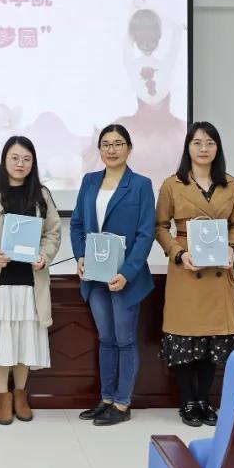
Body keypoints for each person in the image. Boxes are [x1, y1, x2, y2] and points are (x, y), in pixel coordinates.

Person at [0, 136, 61, 425]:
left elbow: (53, 233)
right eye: (15, 158)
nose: (20, 164)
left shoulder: (42, 194)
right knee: (1, 342)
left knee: (23, 342)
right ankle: (3, 396)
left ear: (33, 163)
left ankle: (21, 394)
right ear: (4, 159)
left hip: (29, 281)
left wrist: (44, 255)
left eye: (26, 159)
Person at [154, 122, 234, 427]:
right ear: (188, 148)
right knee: (184, 339)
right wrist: (179, 253)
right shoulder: (172, 185)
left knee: (211, 341)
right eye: (197, 143)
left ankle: (204, 400)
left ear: (217, 148)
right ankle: (188, 401)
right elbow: (160, 227)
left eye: (210, 143)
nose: (203, 148)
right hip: (186, 270)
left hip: (219, 271)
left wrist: (232, 246)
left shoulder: (230, 184)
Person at [70, 124, 156, 426]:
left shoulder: (141, 185)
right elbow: (77, 224)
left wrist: (127, 273)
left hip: (125, 279)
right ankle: (106, 399)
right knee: (106, 338)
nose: (111, 149)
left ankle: (122, 403)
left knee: (125, 339)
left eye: (118, 143)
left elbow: (145, 234)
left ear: (129, 148)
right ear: (99, 149)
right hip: (95, 276)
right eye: (106, 144)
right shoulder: (89, 181)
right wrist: (80, 256)